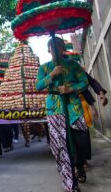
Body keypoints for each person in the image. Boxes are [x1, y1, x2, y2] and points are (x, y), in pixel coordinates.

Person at [36, 37, 89, 192]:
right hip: (55, 109)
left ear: (63, 48)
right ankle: (70, 182)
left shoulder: (73, 65)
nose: (55, 48)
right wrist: (52, 74)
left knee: (82, 142)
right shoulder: (44, 68)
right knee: (61, 146)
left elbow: (84, 82)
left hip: (73, 108)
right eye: (52, 46)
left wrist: (70, 89)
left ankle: (80, 166)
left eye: (58, 46)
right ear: (48, 50)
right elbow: (38, 85)